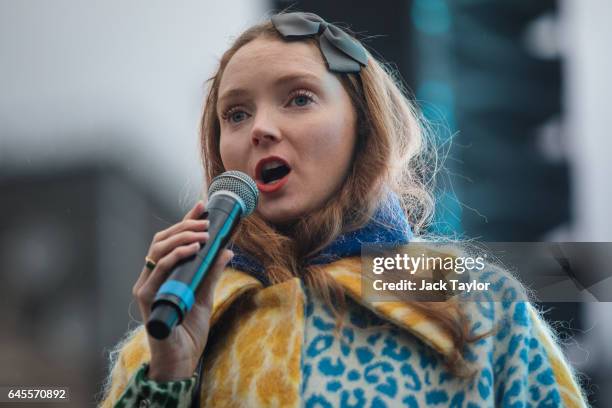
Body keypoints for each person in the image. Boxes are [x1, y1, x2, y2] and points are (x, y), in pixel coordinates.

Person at [100, 11, 588, 408]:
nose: (260, 128)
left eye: (298, 98)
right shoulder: (162, 341)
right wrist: (169, 376)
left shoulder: (474, 297)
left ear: (364, 127)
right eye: (236, 113)